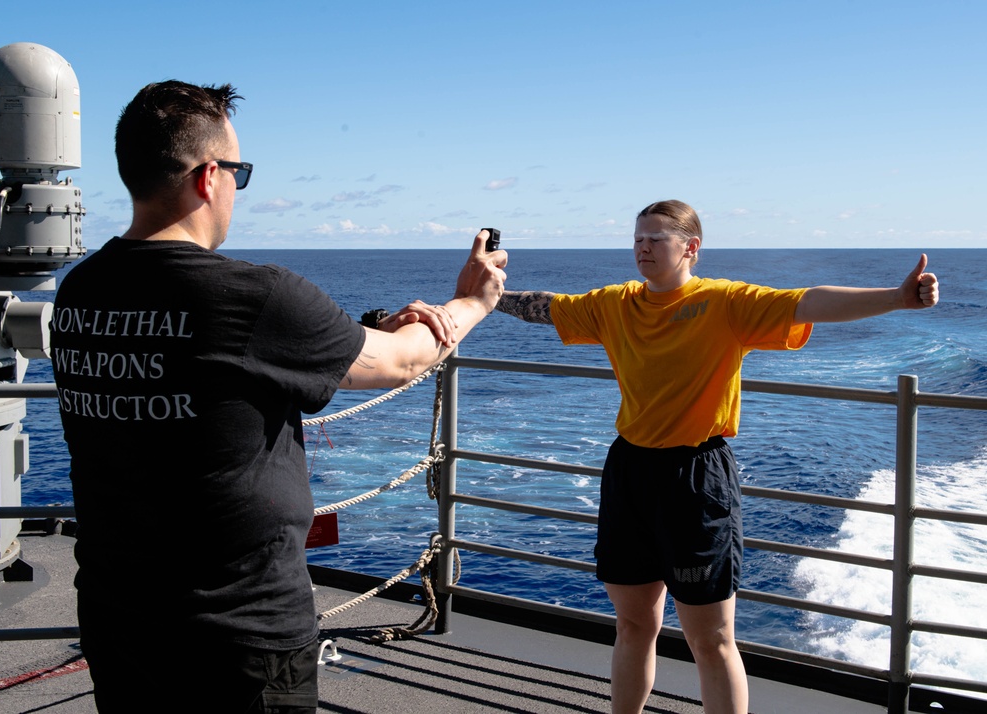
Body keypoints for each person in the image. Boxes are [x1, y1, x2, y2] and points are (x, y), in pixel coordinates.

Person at [49, 80, 507, 713]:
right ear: (209, 177)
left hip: (119, 615)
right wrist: (473, 300)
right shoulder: (252, 295)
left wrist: (366, 333)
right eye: (238, 171)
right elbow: (402, 362)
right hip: (239, 632)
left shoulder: (82, 290)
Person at [494, 199, 938, 714]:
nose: (643, 247)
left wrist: (897, 297)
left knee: (712, 638)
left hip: (696, 477)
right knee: (634, 624)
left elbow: (807, 302)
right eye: (638, 238)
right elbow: (546, 307)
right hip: (630, 472)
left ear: (691, 248)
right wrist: (481, 296)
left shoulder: (725, 302)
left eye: (656, 238)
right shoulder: (615, 303)